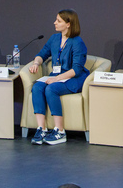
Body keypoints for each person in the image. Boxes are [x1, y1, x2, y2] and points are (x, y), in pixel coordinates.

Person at [28, 9, 90, 145]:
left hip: (74, 78)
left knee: (51, 89)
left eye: (58, 21)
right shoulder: (54, 38)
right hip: (57, 76)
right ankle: (41, 129)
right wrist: (36, 63)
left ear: (68, 24)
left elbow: (77, 69)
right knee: (37, 87)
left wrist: (56, 79)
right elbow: (42, 54)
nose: (54, 23)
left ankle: (60, 131)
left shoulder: (77, 42)